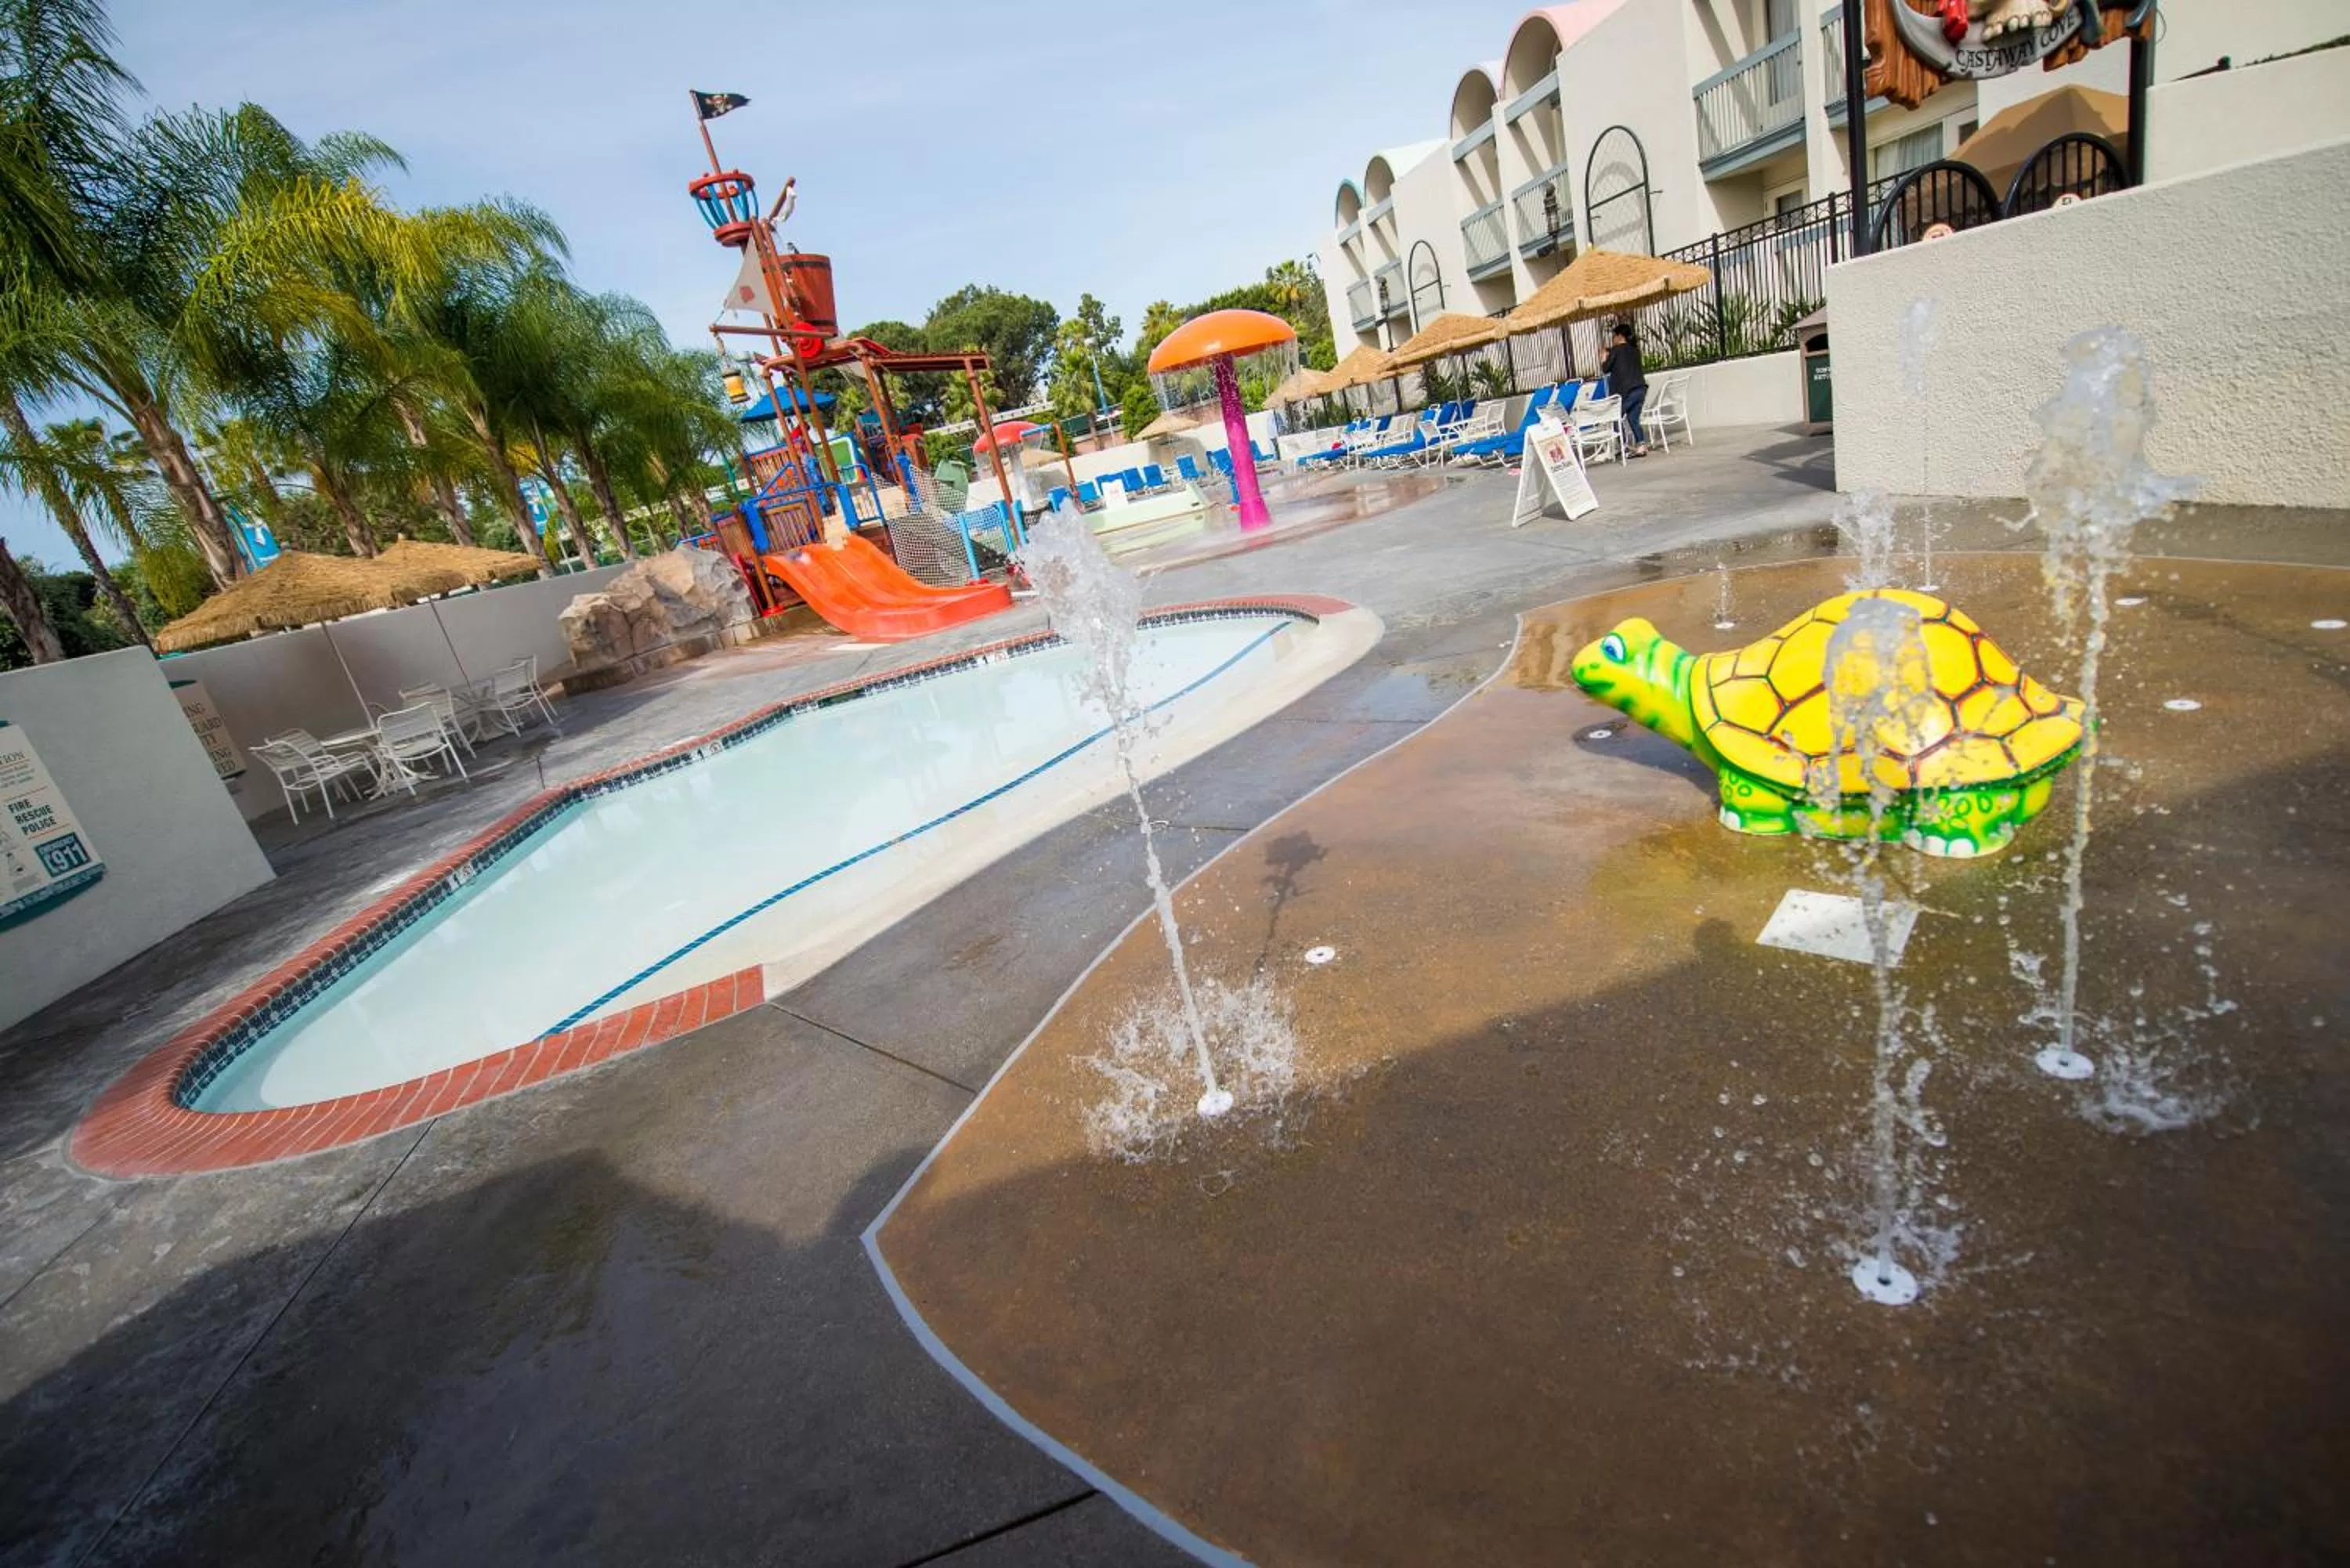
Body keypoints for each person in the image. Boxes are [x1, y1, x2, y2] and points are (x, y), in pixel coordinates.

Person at [1602, 322, 1650, 457]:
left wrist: (1603, 358)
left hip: (1626, 391)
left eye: (1614, 336)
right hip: (1640, 389)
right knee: (1633, 418)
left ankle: (1624, 447)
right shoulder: (1635, 350)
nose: (1613, 339)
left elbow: (1606, 369)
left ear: (1619, 336)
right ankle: (1641, 445)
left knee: (1616, 418)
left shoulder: (1616, 350)